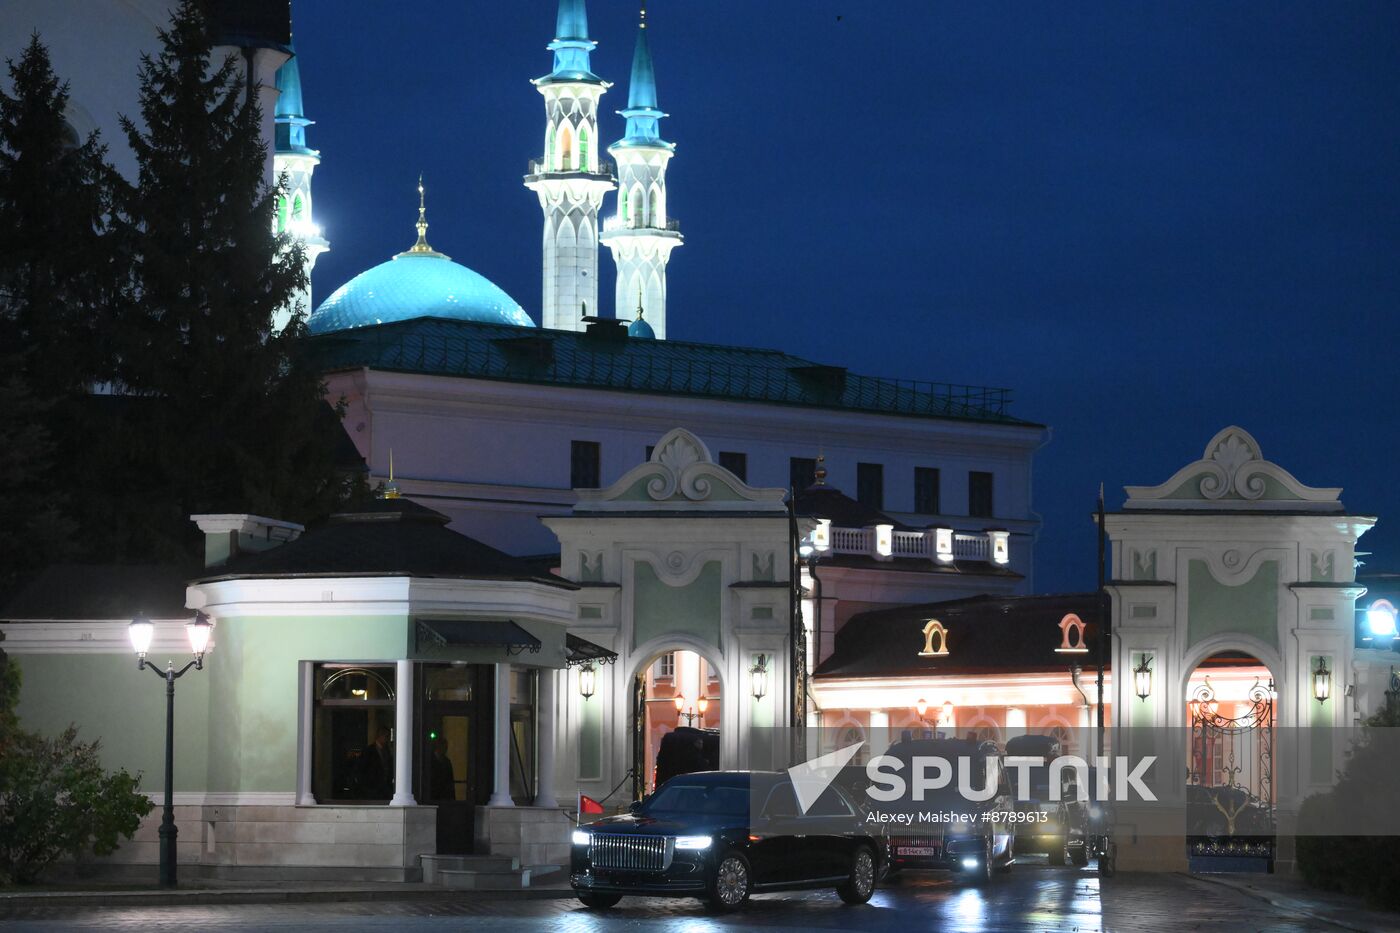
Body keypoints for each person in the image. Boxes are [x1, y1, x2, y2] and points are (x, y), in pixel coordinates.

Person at [354, 726, 393, 799]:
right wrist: (366, 787)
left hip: (384, 789)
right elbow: (360, 769)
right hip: (372, 789)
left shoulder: (387, 751)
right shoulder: (368, 751)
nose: (387, 739)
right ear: (380, 736)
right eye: (386, 736)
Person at [430, 735, 456, 801]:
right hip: (433, 795)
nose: (445, 749)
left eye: (446, 747)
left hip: (445, 796)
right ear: (438, 746)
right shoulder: (430, 761)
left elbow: (450, 780)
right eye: (443, 746)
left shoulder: (447, 762)